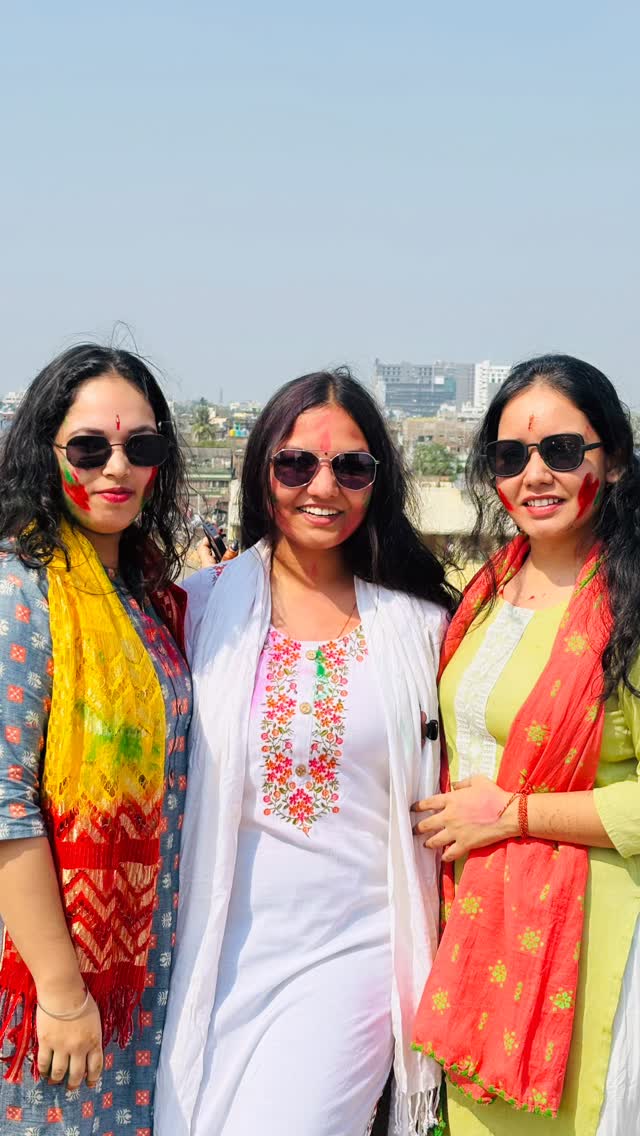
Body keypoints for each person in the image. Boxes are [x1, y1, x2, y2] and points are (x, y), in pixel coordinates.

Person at [155, 368, 459, 1136]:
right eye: (296, 464)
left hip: (356, 954)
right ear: (263, 470)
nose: (323, 487)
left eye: (351, 467)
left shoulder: (420, 628)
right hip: (215, 948)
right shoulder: (200, 607)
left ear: (377, 482)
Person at [411, 355, 640, 1135]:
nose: (534, 474)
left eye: (562, 451)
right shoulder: (485, 590)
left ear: (613, 462)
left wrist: (515, 813)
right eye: (511, 456)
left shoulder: (629, 607)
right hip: (477, 941)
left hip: (589, 945)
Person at [0, 345, 192, 1134]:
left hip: (144, 971)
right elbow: (5, 807)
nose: (117, 467)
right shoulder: (20, 589)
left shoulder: (146, 594)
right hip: (54, 994)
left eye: (140, 446)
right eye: (88, 448)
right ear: (45, 453)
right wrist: (61, 991)